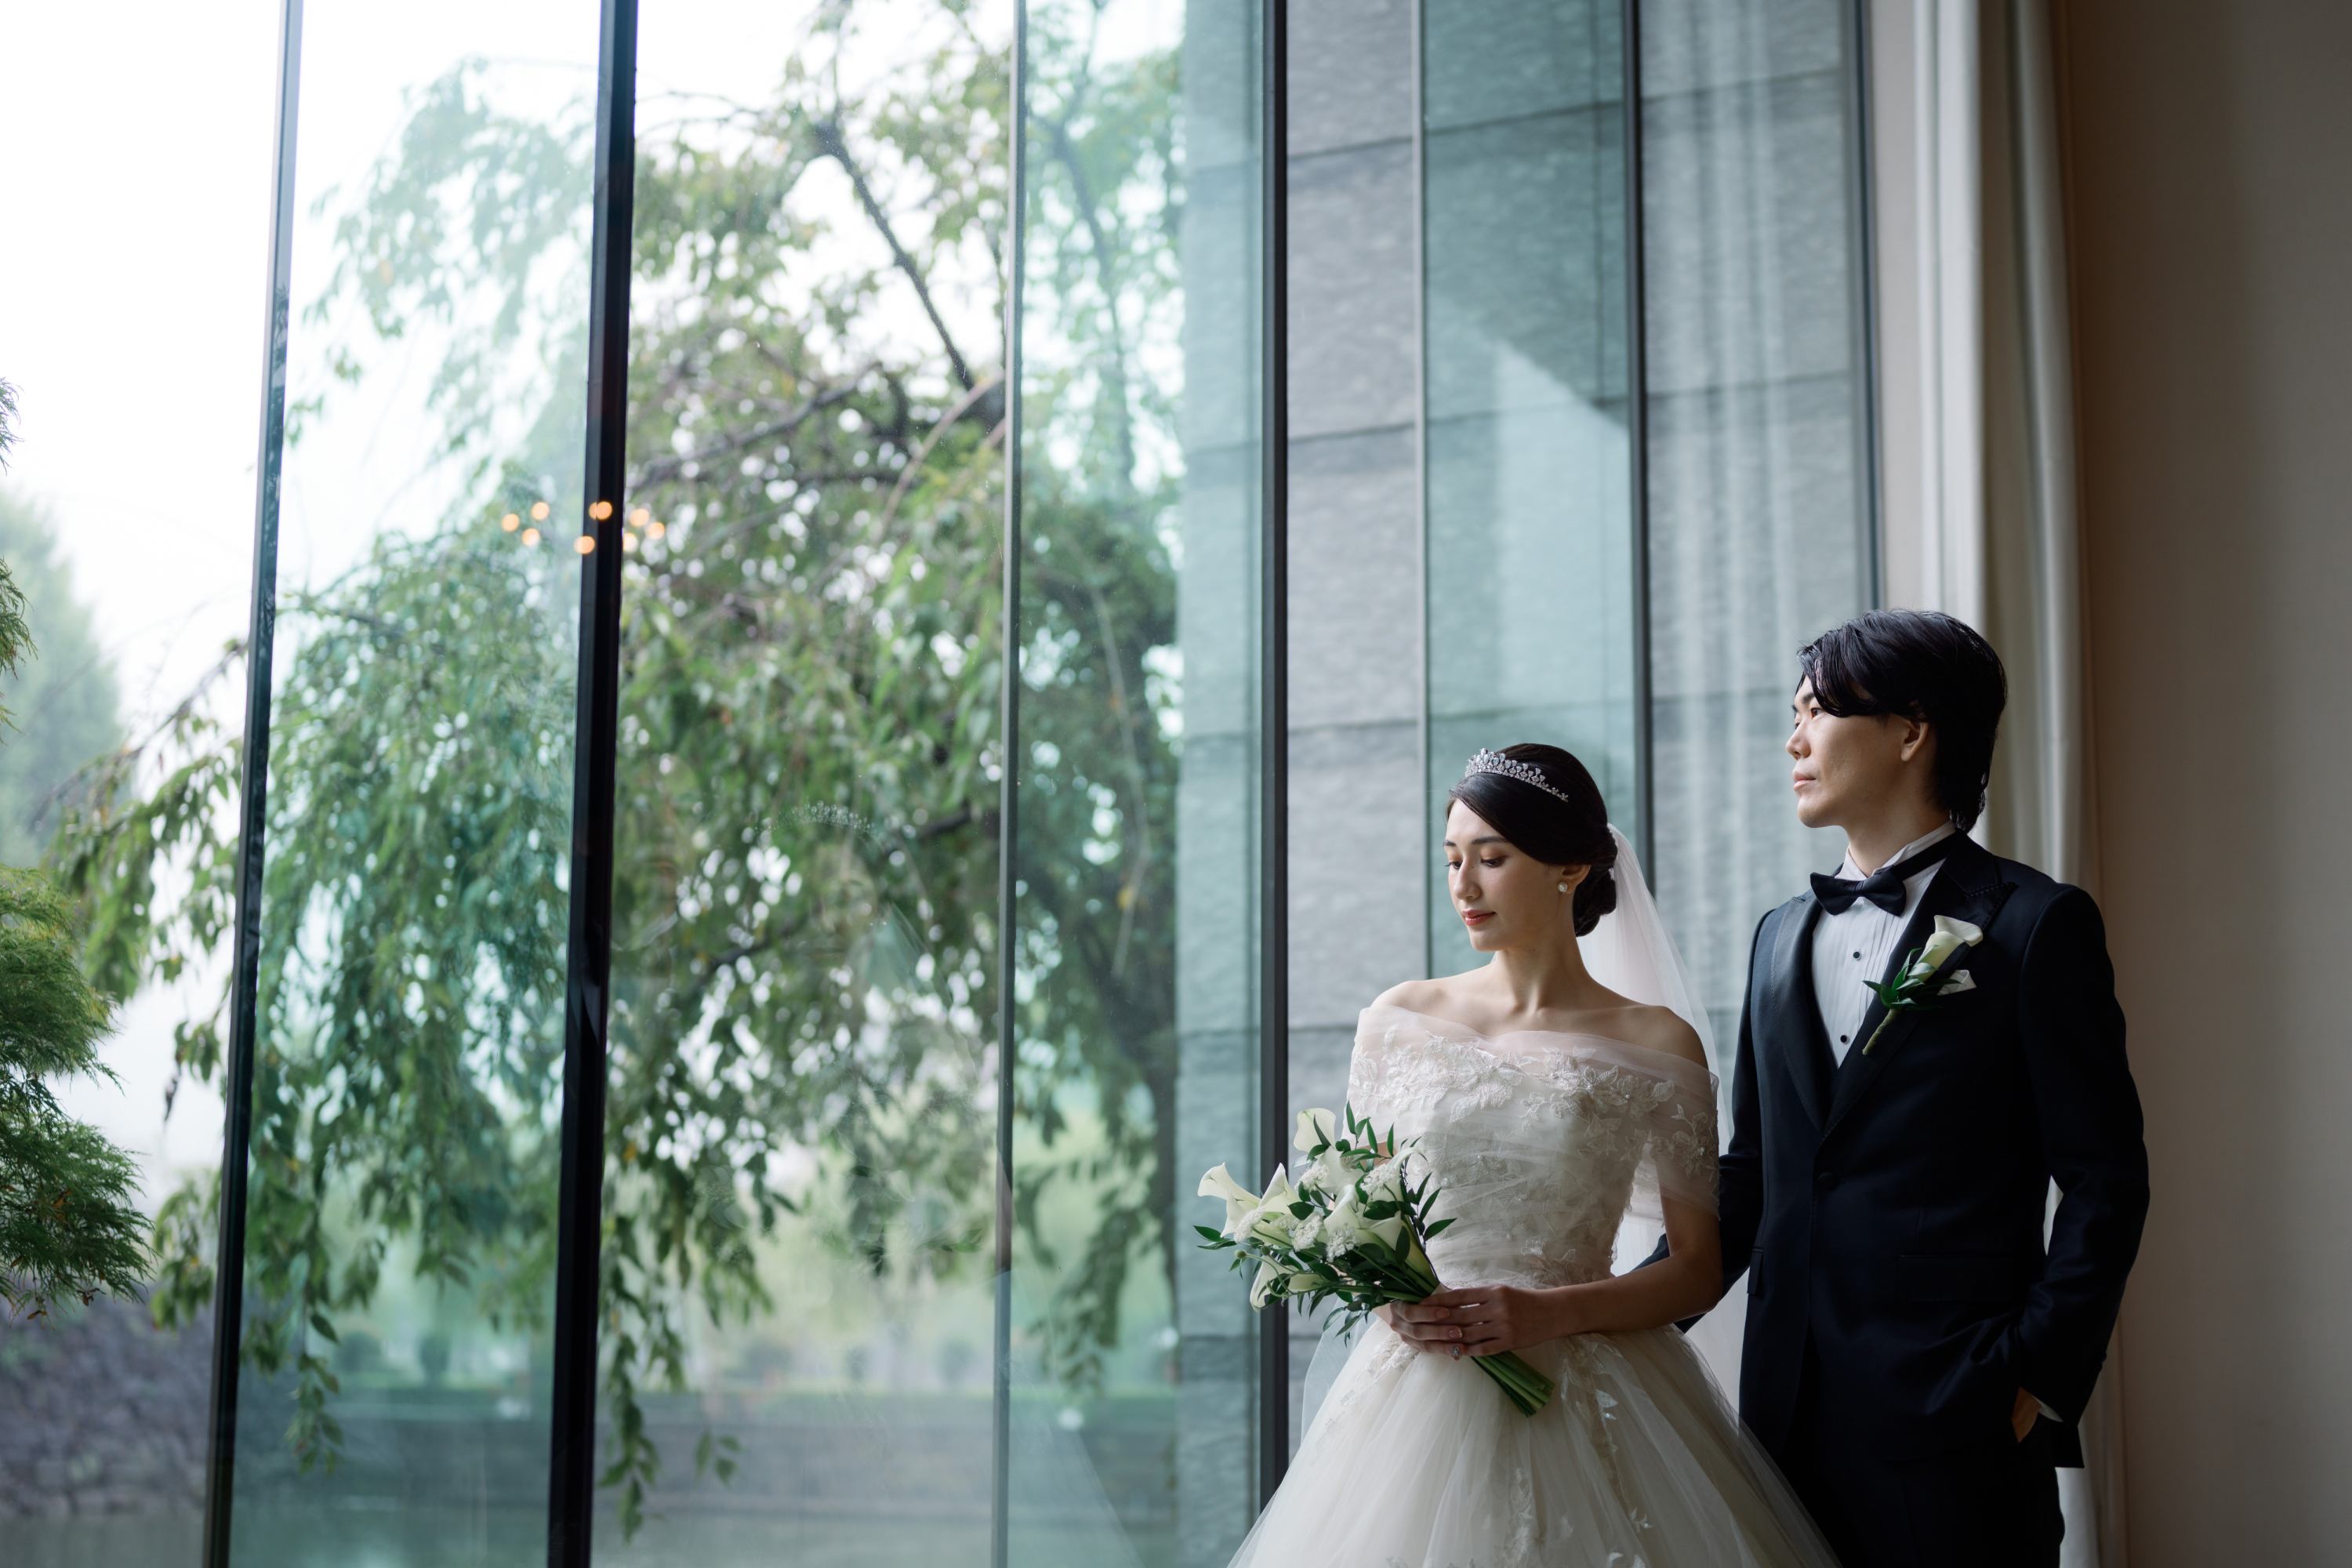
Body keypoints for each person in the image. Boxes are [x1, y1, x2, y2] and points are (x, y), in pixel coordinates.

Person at [1223, 743, 1838, 1568]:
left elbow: (1697, 1270)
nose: (1464, 885)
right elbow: (1360, 1219)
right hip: (1413, 1395)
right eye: (1452, 859)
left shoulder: (1658, 1043)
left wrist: (1550, 1313)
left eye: (1492, 858)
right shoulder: (1397, 1020)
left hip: (1592, 1386)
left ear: (1571, 866)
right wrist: (1392, 1304)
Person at [1694, 608, 2148, 1566]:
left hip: (1960, 1423)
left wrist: (2033, 1373)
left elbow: (2106, 1180)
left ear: (1910, 730)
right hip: (1780, 1421)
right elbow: (1753, 1173)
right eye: (1793, 715)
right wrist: (1610, 1313)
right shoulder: (1777, 934)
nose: (1793, 741)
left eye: (1817, 712)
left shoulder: (2035, 924)